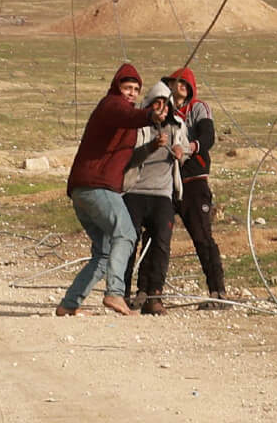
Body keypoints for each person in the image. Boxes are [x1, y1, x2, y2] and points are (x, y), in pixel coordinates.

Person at [58, 63, 154, 316]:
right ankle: (114, 293)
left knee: (103, 252)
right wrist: (149, 115)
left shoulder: (123, 115)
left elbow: (126, 158)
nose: (131, 93)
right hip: (96, 186)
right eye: (127, 88)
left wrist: (153, 146)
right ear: (117, 88)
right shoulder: (111, 104)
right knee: (126, 234)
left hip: (84, 189)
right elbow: (128, 115)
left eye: (136, 89)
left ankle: (69, 305)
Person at [122, 82, 188, 313]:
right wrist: (151, 147)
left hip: (162, 194)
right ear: (148, 106)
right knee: (129, 244)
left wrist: (181, 152)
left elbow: (185, 148)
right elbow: (127, 159)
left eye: (165, 105)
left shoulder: (177, 126)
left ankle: (154, 297)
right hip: (135, 192)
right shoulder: (138, 127)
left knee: (161, 245)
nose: (161, 109)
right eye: (156, 104)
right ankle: (122, 295)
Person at [163, 68, 228, 302]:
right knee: (157, 237)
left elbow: (208, 137)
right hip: (165, 181)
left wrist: (188, 148)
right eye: (174, 82)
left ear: (190, 87)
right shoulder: (162, 110)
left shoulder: (198, 108)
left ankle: (217, 291)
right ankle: (149, 293)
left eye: (183, 83)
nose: (178, 86)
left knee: (202, 236)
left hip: (193, 181)